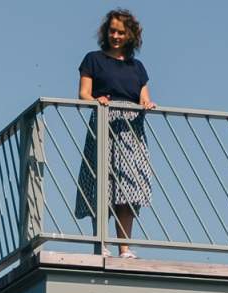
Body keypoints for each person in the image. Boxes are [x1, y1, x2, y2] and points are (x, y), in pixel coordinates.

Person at [76, 9, 154, 258]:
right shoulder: (93, 59)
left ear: (130, 35)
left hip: (131, 129)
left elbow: (144, 97)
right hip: (104, 123)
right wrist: (96, 100)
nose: (116, 36)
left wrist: (148, 105)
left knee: (129, 188)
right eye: (112, 31)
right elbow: (83, 94)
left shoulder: (137, 67)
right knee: (102, 184)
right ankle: (102, 245)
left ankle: (125, 248)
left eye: (121, 32)